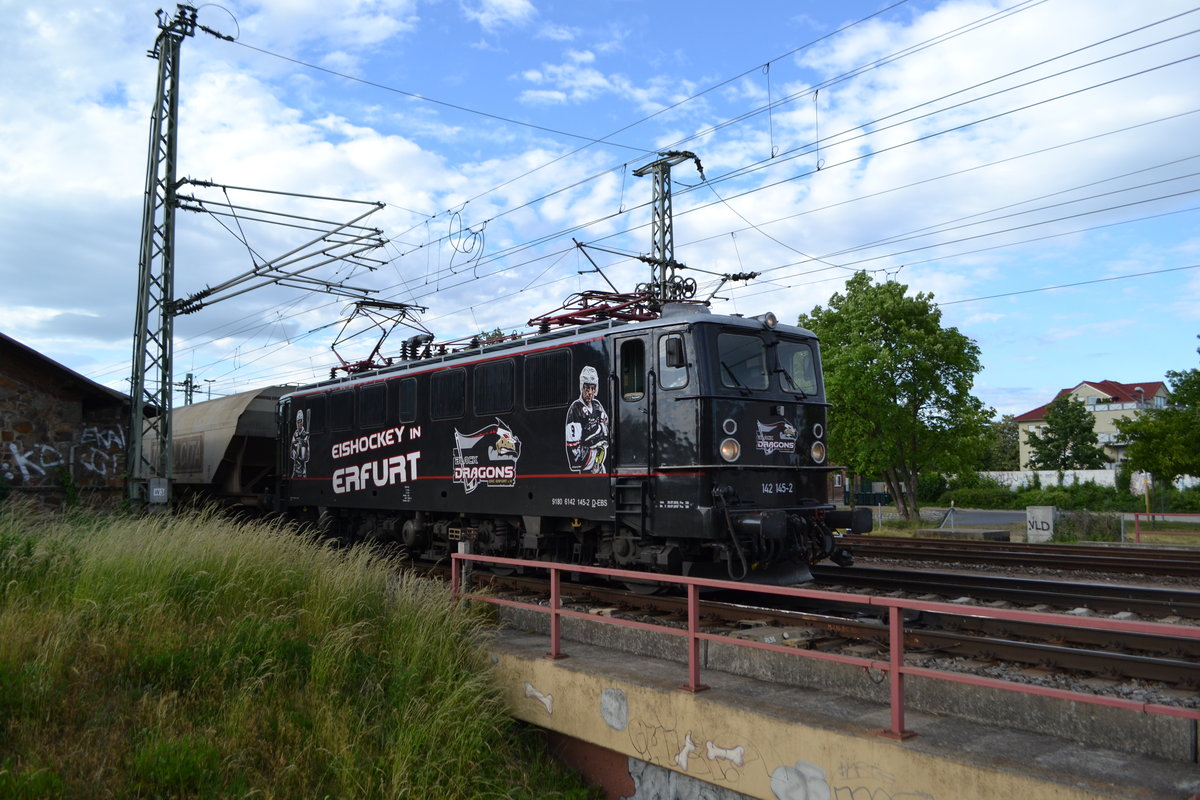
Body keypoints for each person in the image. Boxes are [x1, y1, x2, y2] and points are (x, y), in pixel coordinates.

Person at [565, 366, 609, 473]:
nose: (590, 392)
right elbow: (575, 456)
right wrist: (597, 434)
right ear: (582, 387)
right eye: (587, 388)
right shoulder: (575, 409)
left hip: (600, 467)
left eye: (593, 388)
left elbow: (607, 432)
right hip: (587, 471)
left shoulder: (597, 406)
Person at [290, 409, 309, 477]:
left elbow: (306, 456)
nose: (298, 424)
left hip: (302, 464)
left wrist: (303, 441)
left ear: (302, 422)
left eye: (300, 422)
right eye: (297, 422)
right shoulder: (295, 434)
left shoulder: (305, 434)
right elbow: (292, 447)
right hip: (296, 465)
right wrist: (296, 443)